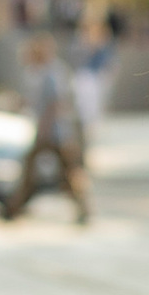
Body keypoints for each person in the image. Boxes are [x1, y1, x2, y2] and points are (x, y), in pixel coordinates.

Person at [5, 38, 93, 224]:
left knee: (69, 171)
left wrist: (44, 128)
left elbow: (55, 104)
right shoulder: (41, 72)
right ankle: (15, 206)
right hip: (51, 132)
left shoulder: (53, 72)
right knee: (34, 169)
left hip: (57, 133)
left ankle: (83, 207)